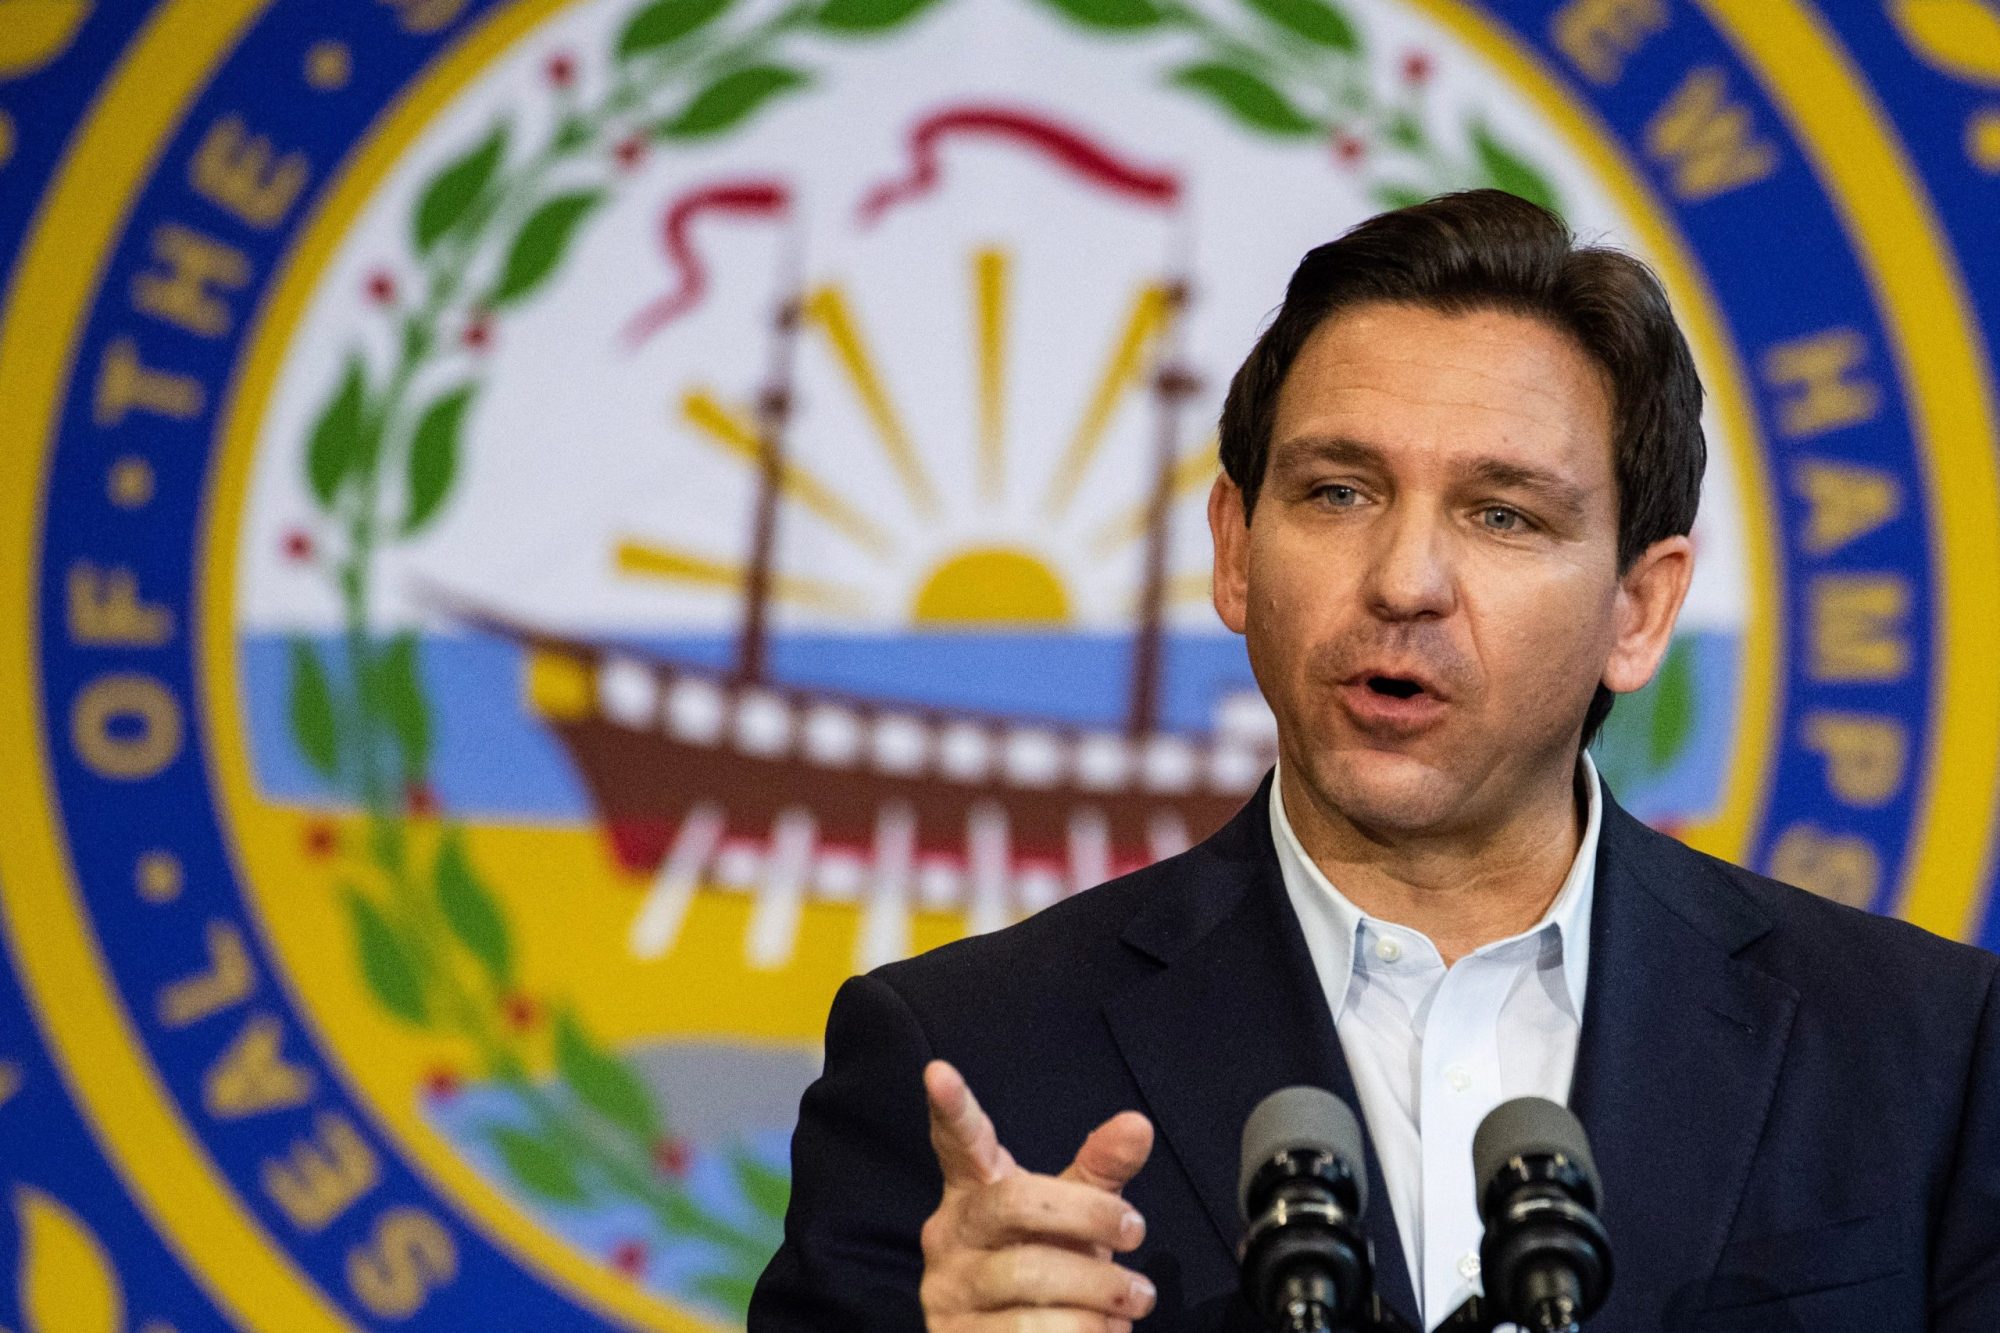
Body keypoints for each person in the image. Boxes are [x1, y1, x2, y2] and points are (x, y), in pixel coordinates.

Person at [746, 191, 2000, 1332]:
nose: (1403, 580)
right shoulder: (967, 1064)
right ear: (1235, 550)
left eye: (1501, 513)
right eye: (1338, 493)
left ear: (1638, 608)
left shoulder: (1926, 1056)